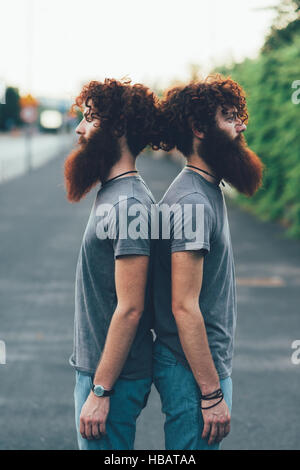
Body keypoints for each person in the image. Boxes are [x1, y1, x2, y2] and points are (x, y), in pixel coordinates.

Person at [152, 74, 264, 450]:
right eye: (230, 116)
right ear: (199, 128)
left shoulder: (205, 189)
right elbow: (184, 307)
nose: (241, 124)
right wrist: (212, 393)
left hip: (198, 368)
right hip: (193, 373)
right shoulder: (193, 202)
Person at [64, 78, 158, 450]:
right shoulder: (115, 194)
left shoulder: (129, 205)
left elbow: (131, 308)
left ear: (117, 128)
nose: (79, 129)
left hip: (111, 379)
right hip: (100, 370)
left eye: (90, 119)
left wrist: (101, 391)